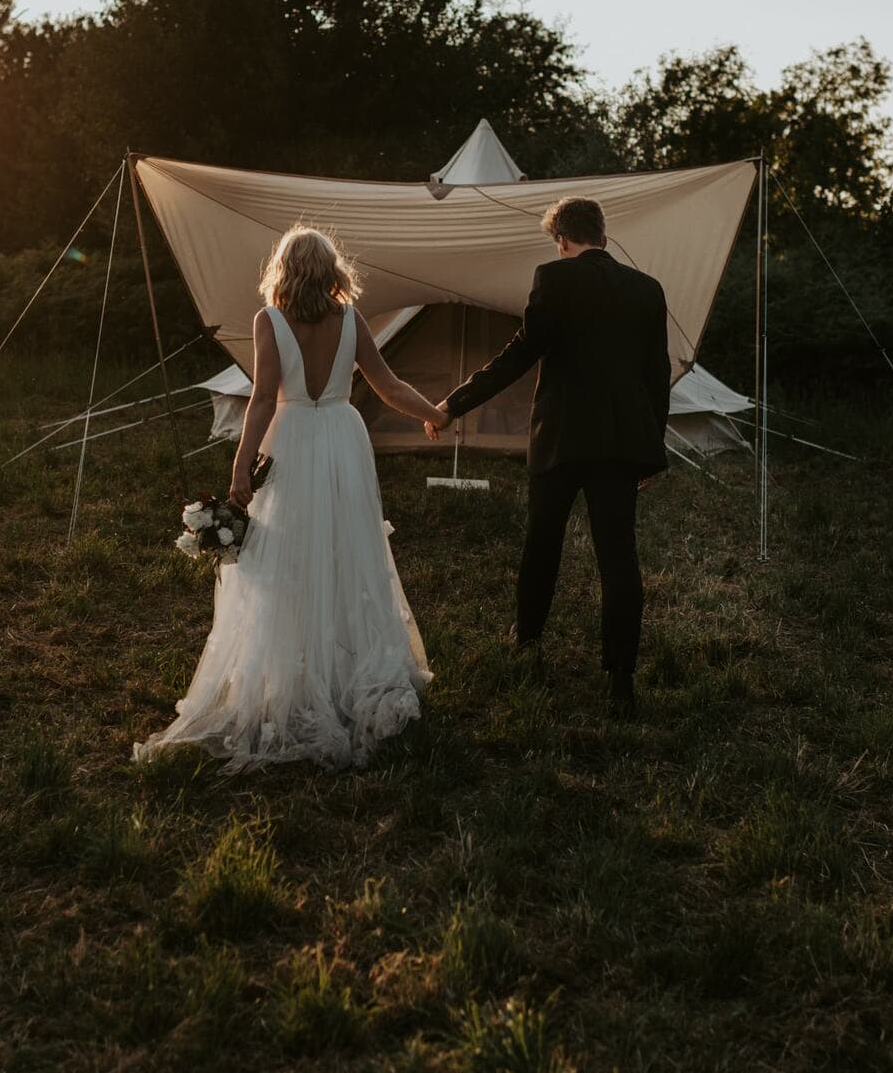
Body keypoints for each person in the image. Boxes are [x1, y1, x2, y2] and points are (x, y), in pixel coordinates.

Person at [134, 227, 443, 771]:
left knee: (286, 553)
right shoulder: (351, 318)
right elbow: (388, 384)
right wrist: (433, 414)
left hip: (294, 435)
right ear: (330, 271)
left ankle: (293, 666)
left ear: (284, 268)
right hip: (343, 438)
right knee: (347, 545)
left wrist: (240, 464)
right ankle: (344, 666)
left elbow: (260, 398)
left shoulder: (269, 320)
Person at [427, 196, 670, 717]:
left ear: (562, 238)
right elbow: (657, 376)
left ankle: (527, 643)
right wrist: (652, 450)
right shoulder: (648, 290)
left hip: (561, 437)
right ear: (602, 236)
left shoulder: (553, 278)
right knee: (619, 558)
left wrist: (453, 404)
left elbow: (518, 355)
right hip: (624, 443)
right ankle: (621, 681)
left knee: (543, 543)